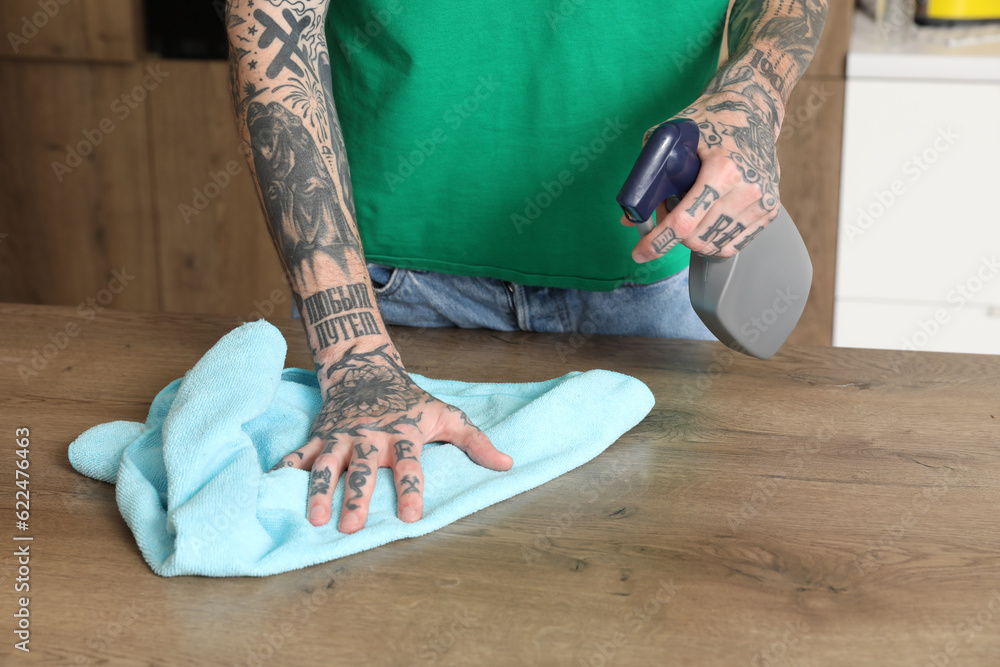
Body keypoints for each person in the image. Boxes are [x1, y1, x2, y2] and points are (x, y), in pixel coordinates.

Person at [223, 0, 828, 533]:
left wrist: (753, 96)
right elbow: (274, 22)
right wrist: (355, 357)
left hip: (650, 284)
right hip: (384, 299)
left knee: (664, 555)